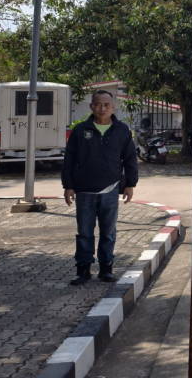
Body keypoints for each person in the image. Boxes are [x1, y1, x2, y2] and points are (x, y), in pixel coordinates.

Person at [62, 90, 139, 285]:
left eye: (106, 105)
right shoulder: (80, 130)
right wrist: (68, 186)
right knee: (84, 232)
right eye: (97, 104)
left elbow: (130, 159)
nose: (102, 108)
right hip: (84, 190)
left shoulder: (122, 130)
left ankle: (106, 269)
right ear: (91, 106)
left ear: (113, 107)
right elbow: (69, 159)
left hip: (110, 190)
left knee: (108, 232)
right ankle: (83, 270)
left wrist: (130, 184)